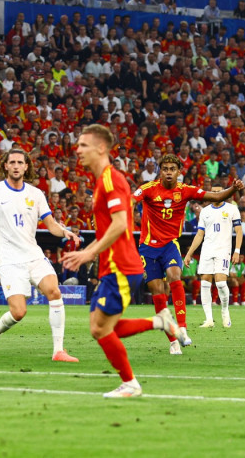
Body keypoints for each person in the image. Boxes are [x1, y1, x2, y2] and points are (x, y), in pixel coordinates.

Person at [61, 125, 183, 398]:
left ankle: (130, 383)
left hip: (121, 266)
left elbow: (119, 224)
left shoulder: (111, 179)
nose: (77, 150)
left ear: (101, 148)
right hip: (111, 266)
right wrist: (92, 253)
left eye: (83, 145)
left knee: (100, 327)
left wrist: (88, 253)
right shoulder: (102, 180)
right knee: (100, 326)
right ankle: (159, 323)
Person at [0, 148, 80, 363]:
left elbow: (50, 225)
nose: (15, 166)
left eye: (19, 162)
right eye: (11, 162)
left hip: (33, 255)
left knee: (54, 291)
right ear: (5, 165)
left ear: (25, 166)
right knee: (19, 312)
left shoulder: (36, 193)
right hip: (10, 261)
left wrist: (65, 231)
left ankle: (58, 351)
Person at [134, 154, 241, 353]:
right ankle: (173, 341)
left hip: (169, 245)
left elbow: (216, 197)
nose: (168, 172)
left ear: (178, 172)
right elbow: (131, 201)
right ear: (160, 171)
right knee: (158, 294)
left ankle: (182, 328)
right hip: (148, 248)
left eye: (172, 169)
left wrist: (233, 189)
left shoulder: (185, 191)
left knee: (175, 276)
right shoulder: (148, 189)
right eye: (164, 168)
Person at [183, 185, 244, 329]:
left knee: (221, 283)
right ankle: (209, 319)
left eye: (219, 192)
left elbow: (239, 231)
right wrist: (189, 253)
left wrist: (237, 250)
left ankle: (224, 311)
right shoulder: (205, 211)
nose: (216, 194)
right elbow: (200, 234)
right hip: (207, 250)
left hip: (223, 250)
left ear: (224, 193)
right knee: (204, 282)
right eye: (214, 192)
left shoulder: (232, 209)